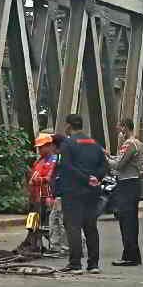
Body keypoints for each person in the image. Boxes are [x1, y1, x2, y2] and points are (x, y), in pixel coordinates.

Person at [54, 114, 109, 273]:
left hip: (73, 192)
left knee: (73, 226)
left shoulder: (68, 144)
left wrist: (85, 178)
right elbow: (104, 166)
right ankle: (93, 265)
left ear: (69, 126)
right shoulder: (94, 144)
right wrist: (95, 178)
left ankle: (75, 264)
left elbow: (67, 167)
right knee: (91, 227)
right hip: (92, 191)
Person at [111, 118, 143, 267]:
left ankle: (129, 256)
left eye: (120, 129)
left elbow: (119, 165)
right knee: (130, 220)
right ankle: (132, 255)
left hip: (127, 184)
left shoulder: (129, 144)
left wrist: (104, 159)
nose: (119, 132)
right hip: (133, 183)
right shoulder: (137, 143)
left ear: (125, 128)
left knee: (127, 221)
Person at [26, 133, 59, 253]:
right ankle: (34, 243)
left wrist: (36, 180)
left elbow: (50, 178)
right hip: (35, 196)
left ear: (49, 146)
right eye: (39, 147)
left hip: (46, 196)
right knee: (32, 221)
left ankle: (56, 245)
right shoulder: (39, 161)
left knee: (48, 223)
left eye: (42, 147)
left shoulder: (54, 160)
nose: (39, 150)